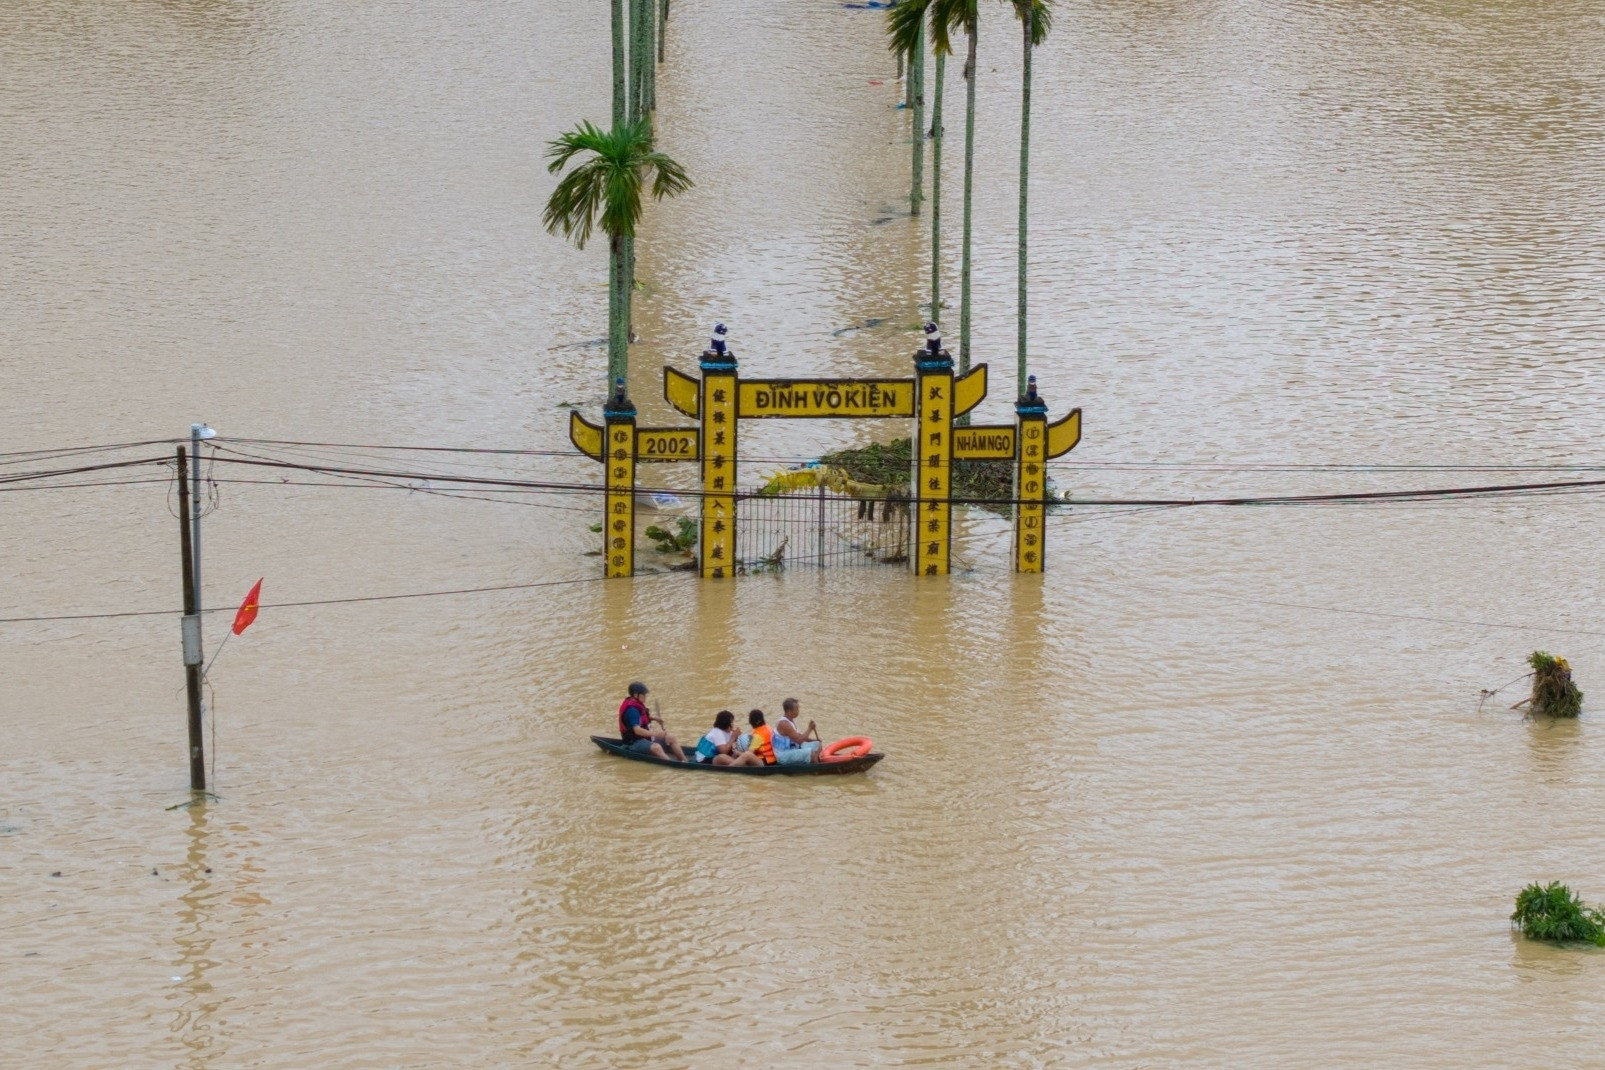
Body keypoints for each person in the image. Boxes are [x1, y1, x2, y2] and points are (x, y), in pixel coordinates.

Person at [617, 681, 686, 762]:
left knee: (671, 738)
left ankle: (684, 761)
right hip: (633, 743)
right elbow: (637, 730)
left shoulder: (636, 704)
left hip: (645, 738)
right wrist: (656, 734)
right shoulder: (632, 710)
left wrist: (654, 718)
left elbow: (640, 718)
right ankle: (672, 764)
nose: (645, 696)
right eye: (643, 694)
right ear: (636, 695)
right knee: (657, 748)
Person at [694, 710, 763, 767]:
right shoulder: (717, 732)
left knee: (734, 754)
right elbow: (723, 751)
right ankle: (744, 765)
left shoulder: (728, 732)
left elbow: (737, 743)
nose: (732, 725)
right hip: (706, 759)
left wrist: (738, 737)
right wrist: (733, 737)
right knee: (721, 757)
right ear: (726, 724)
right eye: (731, 723)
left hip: (718, 755)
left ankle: (743, 761)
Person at [772, 697, 822, 765]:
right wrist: (810, 729)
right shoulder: (784, 724)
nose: (798, 711)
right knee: (811, 753)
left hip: (793, 749)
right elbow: (799, 740)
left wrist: (813, 740)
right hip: (783, 755)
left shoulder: (790, 720)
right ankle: (815, 765)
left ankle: (814, 762)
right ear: (789, 711)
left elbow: (799, 736)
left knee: (818, 744)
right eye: (797, 709)